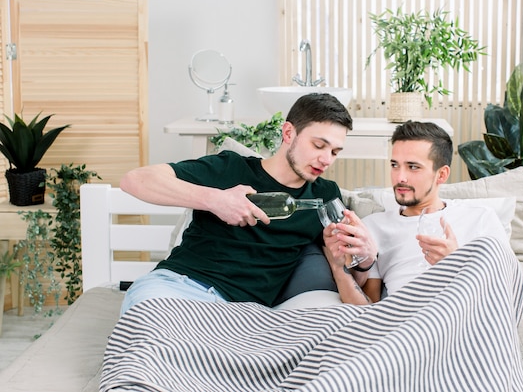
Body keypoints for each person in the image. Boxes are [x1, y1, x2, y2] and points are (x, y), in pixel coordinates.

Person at [119, 93, 378, 314]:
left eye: (334, 152)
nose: (326, 159)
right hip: (176, 288)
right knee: (149, 339)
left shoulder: (324, 195)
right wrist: (215, 200)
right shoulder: (230, 168)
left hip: (240, 315)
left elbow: (350, 282)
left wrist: (365, 258)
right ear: (289, 133)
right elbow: (135, 180)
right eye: (318, 145)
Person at [324, 120, 510, 304]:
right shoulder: (375, 226)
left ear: (442, 174)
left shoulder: (480, 217)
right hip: (407, 322)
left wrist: (457, 265)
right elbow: (369, 309)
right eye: (395, 165)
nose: (400, 177)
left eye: (413, 167)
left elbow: (507, 289)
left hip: (466, 313)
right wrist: (338, 266)